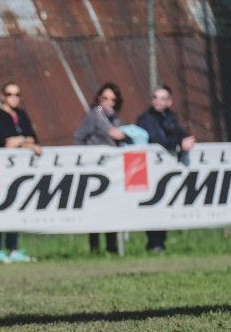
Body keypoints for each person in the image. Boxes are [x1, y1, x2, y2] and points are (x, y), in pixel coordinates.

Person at [135, 84, 196, 253]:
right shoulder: (145, 119)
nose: (158, 101)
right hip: (150, 169)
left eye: (162, 98)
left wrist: (185, 139)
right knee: (151, 205)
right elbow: (156, 140)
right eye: (155, 97)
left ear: (169, 102)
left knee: (164, 204)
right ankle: (153, 242)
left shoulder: (171, 118)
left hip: (165, 170)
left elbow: (178, 133)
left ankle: (160, 241)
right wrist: (179, 142)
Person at [0, 81, 42, 263]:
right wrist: (25, 142)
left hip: (20, 170)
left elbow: (33, 138)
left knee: (15, 207)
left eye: (17, 94)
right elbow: (7, 142)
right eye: (10, 94)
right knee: (0, 207)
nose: (14, 98)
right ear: (3, 96)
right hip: (2, 168)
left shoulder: (21, 115)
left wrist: (21, 141)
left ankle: (13, 248)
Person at [73, 82, 126, 254]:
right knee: (95, 209)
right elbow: (78, 138)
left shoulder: (115, 119)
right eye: (105, 98)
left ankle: (112, 247)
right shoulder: (93, 116)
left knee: (112, 209)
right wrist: (86, 159)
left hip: (112, 171)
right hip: (95, 171)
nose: (109, 102)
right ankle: (95, 248)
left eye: (112, 99)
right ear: (98, 99)